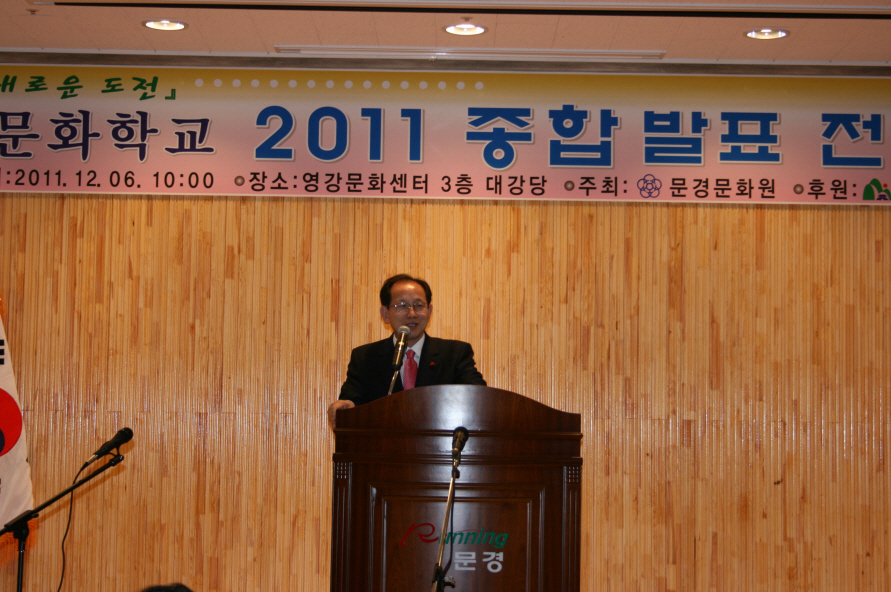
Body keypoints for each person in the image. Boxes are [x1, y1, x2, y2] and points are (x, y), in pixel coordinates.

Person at [327, 274, 486, 425]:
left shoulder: (455, 354)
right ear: (385, 314)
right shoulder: (365, 357)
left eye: (419, 305)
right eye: (402, 306)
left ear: (429, 312)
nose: (412, 313)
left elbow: (479, 396)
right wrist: (346, 406)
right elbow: (352, 399)